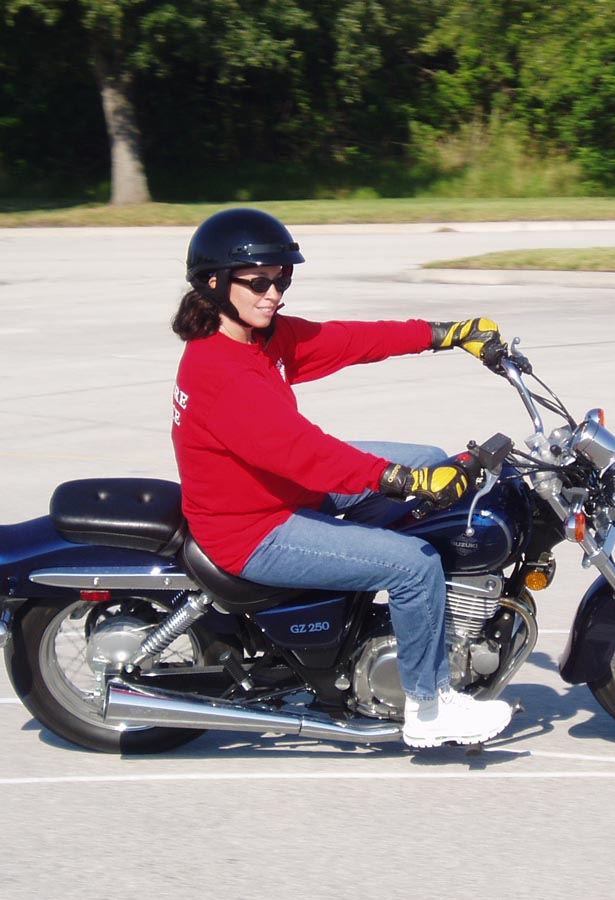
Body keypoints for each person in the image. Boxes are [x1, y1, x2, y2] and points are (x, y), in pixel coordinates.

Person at [170, 207, 513, 749]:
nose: (274, 294)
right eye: (258, 282)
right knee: (414, 565)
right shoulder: (223, 373)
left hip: (283, 493)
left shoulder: (259, 338)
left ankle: (384, 624)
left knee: (430, 462)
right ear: (214, 283)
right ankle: (429, 707)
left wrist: (444, 334)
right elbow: (306, 454)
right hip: (254, 530)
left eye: (281, 279)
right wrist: (398, 480)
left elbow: (346, 339)